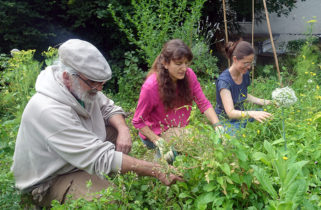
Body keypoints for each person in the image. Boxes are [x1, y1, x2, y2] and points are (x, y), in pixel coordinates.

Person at [11, 39, 182, 207]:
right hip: (50, 178)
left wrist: (123, 129)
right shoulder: (48, 109)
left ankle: (102, 175)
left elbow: (110, 109)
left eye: (102, 83)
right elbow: (100, 157)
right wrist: (156, 170)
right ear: (67, 76)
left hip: (74, 158)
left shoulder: (80, 88)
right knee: (109, 200)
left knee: (114, 130)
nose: (99, 89)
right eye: (94, 83)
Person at [132, 39, 222, 163]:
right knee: (181, 150)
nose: (184, 68)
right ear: (165, 63)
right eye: (179, 63)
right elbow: (138, 122)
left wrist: (217, 125)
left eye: (186, 63)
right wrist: (159, 141)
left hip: (178, 129)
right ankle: (158, 166)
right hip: (155, 133)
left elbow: (203, 103)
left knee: (202, 142)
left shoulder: (189, 76)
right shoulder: (151, 86)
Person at [215, 40, 273, 135]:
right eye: (246, 63)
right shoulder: (224, 81)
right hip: (227, 120)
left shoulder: (244, 74)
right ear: (235, 59)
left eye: (251, 63)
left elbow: (243, 95)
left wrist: (265, 102)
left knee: (267, 115)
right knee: (235, 138)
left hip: (241, 115)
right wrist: (253, 113)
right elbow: (230, 112)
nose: (249, 67)